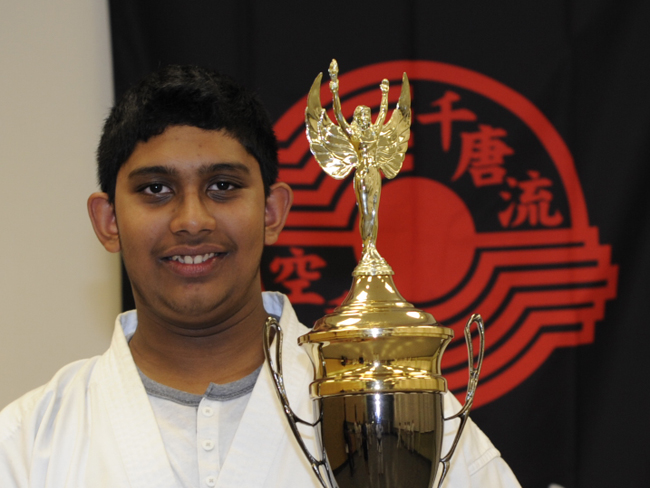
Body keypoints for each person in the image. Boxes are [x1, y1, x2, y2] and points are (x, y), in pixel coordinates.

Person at [0, 65, 520, 487]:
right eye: (156, 189)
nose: (192, 221)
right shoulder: (27, 442)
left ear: (272, 213)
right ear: (108, 221)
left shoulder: (402, 408)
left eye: (223, 186)